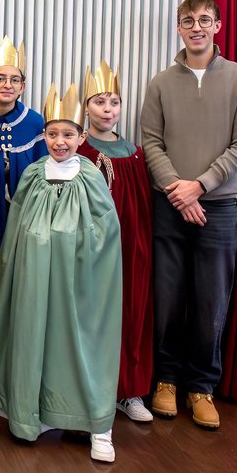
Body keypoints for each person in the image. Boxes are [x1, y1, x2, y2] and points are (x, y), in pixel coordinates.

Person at [0, 84, 123, 463]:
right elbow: (18, 227)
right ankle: (31, 411)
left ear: (82, 138)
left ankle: (95, 422)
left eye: (68, 135)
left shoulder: (90, 176)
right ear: (44, 136)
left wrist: (68, 244)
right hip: (34, 276)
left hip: (77, 279)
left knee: (75, 341)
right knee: (33, 334)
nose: (60, 142)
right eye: (53, 134)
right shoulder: (33, 174)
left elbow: (106, 233)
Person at [140, 0, 237, 430]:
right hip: (170, 204)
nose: (197, 28)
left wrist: (201, 186)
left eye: (205, 20)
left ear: (217, 26)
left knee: (212, 300)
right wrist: (179, 191)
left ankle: (202, 387)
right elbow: (151, 142)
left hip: (219, 206)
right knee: (168, 298)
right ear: (178, 28)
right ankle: (166, 381)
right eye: (188, 21)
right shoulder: (160, 83)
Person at [77, 61, 155, 423]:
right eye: (99, 102)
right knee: (94, 311)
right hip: (94, 245)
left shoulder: (136, 153)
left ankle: (130, 390)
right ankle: (91, 389)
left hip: (132, 242)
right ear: (86, 107)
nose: (107, 110)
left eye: (114, 102)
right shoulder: (79, 150)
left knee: (132, 308)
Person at [0, 37, 48, 255]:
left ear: (23, 86)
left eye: (15, 80)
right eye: (0, 78)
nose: (7, 85)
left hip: (26, 215)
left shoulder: (34, 122)